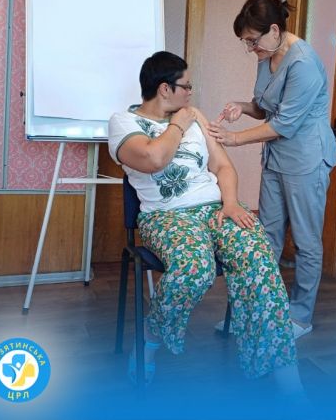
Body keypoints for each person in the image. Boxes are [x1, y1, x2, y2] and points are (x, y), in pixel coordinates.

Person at [107, 51, 303, 394]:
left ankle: (284, 372)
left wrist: (231, 202)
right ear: (165, 89)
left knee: (258, 256)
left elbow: (223, 166)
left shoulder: (196, 119)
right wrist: (180, 124)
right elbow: (154, 159)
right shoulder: (123, 122)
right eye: (186, 86)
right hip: (166, 216)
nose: (191, 92)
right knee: (194, 268)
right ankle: (150, 337)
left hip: (215, 209)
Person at [207, 0, 336, 339]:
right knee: (265, 239)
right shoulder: (266, 56)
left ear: (275, 30)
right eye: (246, 42)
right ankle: (253, 311)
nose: (251, 48)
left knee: (306, 241)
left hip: (307, 159)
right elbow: (266, 108)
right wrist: (241, 106)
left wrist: (234, 139)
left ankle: (300, 317)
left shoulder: (304, 63)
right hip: (276, 158)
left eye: (253, 40)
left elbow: (284, 123)